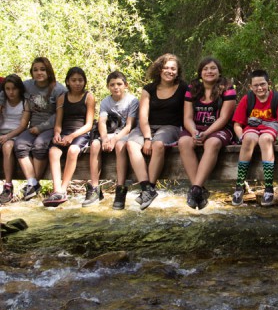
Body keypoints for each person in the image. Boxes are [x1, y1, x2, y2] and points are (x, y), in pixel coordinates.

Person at [126, 54, 187, 210]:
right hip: (147, 126)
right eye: (166, 67)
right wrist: (147, 138)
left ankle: (151, 185)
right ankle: (147, 188)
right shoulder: (149, 89)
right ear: (159, 70)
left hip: (170, 127)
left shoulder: (184, 88)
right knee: (131, 144)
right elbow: (143, 117)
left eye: (173, 68)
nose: (169, 71)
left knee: (158, 144)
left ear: (178, 71)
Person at [178, 57, 236, 210]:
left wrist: (207, 133)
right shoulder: (192, 89)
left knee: (212, 142)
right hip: (196, 128)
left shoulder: (227, 88)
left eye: (212, 68)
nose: (209, 71)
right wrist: (194, 132)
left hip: (219, 129)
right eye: (205, 69)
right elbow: (187, 118)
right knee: (183, 142)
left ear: (219, 71)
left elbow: (224, 118)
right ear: (200, 72)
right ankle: (199, 189)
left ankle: (195, 188)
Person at [231, 69, 278, 207]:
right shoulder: (248, 99)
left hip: (270, 129)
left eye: (262, 84)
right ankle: (239, 186)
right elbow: (237, 123)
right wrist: (241, 136)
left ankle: (269, 188)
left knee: (265, 139)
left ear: (269, 83)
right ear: (251, 87)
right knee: (248, 139)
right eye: (256, 85)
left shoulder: (277, 98)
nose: (259, 88)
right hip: (252, 128)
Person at [12, 57, 66, 200]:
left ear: (48, 71)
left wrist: (41, 128)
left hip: (50, 127)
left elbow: (59, 114)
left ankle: (35, 182)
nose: (39, 73)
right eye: (35, 70)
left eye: (42, 69)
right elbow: (8, 86)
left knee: (39, 145)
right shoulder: (27, 86)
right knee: (20, 144)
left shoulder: (59, 89)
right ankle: (32, 182)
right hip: (32, 126)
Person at [85, 71, 139, 209]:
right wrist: (104, 139)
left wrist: (114, 140)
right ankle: (95, 188)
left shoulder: (132, 101)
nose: (116, 87)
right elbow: (102, 122)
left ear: (126, 85)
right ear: (108, 86)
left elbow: (129, 126)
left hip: (125, 134)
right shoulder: (105, 102)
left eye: (119, 84)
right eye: (112, 85)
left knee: (120, 145)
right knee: (95, 144)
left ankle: (120, 189)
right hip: (109, 133)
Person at [43, 67, 95, 207]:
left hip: (81, 133)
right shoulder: (62, 98)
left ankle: (64, 189)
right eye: (74, 80)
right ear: (68, 82)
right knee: (53, 151)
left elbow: (89, 124)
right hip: (65, 131)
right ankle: (56, 190)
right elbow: (58, 122)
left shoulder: (88, 97)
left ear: (84, 82)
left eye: (80, 80)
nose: (77, 83)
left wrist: (72, 136)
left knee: (73, 150)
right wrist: (57, 134)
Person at [0, 75, 31, 204]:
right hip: (1, 133)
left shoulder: (25, 102)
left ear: (19, 89)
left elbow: (23, 126)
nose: (11, 92)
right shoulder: (2, 101)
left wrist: (8, 136)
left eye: (14, 89)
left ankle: (8, 186)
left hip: (16, 134)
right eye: (7, 89)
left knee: (7, 147)